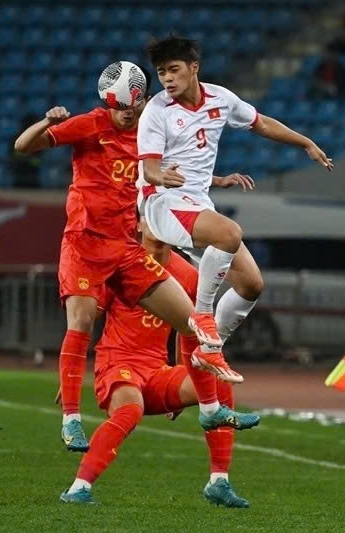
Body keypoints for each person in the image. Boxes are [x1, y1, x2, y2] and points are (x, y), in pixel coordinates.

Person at [14, 62, 250, 453]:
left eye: (131, 105)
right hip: (85, 244)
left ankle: (210, 408)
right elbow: (23, 147)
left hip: (125, 248)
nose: (125, 112)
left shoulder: (149, 129)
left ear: (140, 99)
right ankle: (71, 419)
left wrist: (215, 181)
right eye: (117, 106)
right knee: (83, 320)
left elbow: (171, 167)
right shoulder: (90, 125)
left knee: (193, 324)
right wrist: (46, 122)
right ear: (106, 102)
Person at [137, 35, 333, 370]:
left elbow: (261, 123)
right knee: (230, 233)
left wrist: (305, 143)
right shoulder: (157, 111)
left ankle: (207, 352)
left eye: (173, 69)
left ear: (193, 68)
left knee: (251, 284)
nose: (167, 78)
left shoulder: (220, 99)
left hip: (198, 204)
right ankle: (201, 315)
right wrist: (159, 176)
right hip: (162, 204)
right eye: (161, 73)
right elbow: (149, 167)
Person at [59, 219, 259, 506]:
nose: (160, 225)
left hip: (156, 371)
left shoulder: (188, 276)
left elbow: (188, 330)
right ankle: (79, 487)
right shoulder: (122, 265)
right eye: (154, 218)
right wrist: (70, 379)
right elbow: (85, 319)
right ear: (140, 223)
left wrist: (188, 376)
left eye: (166, 219)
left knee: (217, 378)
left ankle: (219, 481)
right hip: (117, 365)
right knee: (131, 409)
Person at [10, 114, 42, 188]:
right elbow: (13, 156)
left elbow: (38, 160)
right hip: (18, 173)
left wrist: (30, 159)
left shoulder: (40, 138)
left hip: (33, 174)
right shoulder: (16, 139)